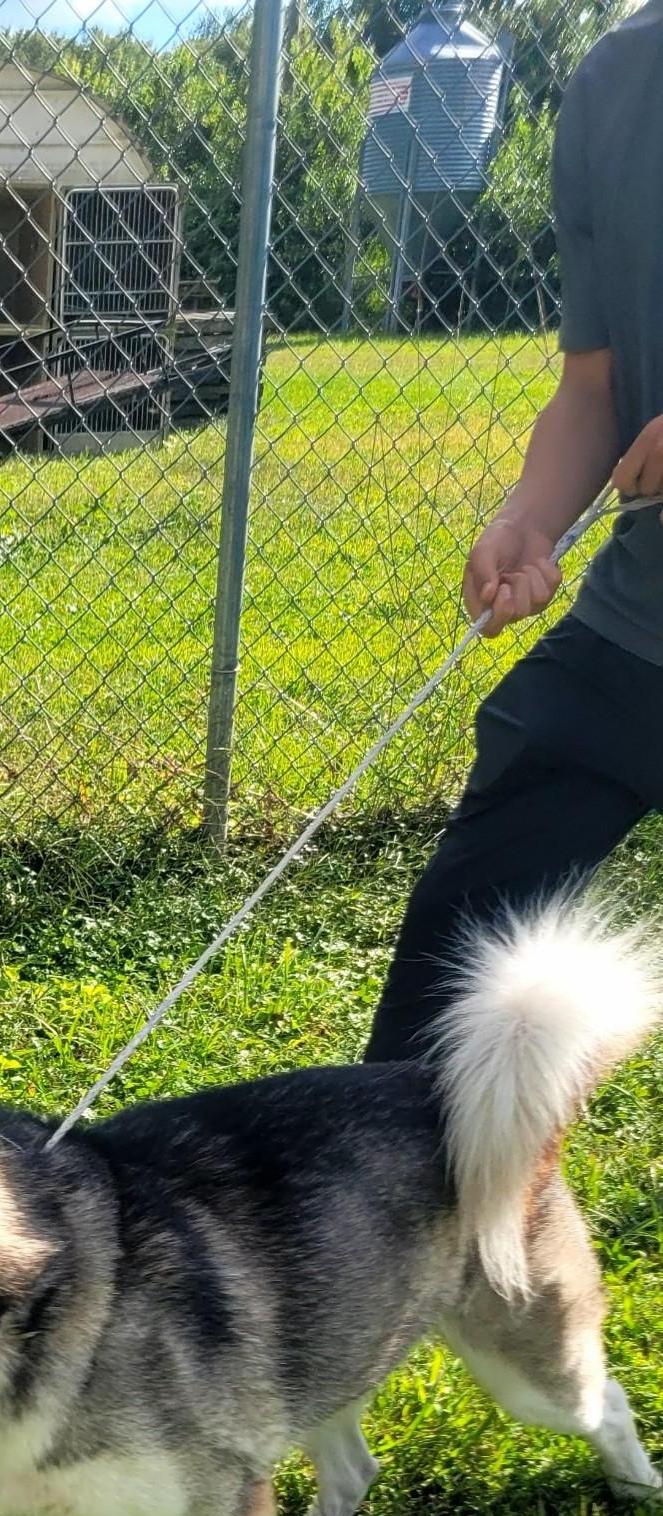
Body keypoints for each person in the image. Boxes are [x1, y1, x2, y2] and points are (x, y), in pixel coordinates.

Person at [364, 0, 663, 1064]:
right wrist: (525, 518)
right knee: (430, 1018)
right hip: (636, 629)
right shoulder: (613, 80)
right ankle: (412, 1227)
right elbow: (596, 384)